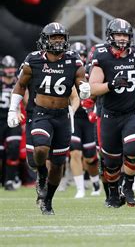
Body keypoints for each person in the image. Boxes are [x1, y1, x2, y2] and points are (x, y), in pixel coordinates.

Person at [8, 22, 89, 215]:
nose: (58, 41)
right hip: (40, 113)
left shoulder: (73, 61)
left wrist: (85, 90)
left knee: (58, 165)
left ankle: (48, 201)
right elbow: (20, 86)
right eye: (54, 38)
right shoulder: (33, 60)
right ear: (45, 40)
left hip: (61, 116)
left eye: (61, 38)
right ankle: (41, 174)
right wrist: (13, 109)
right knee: (41, 150)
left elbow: (81, 86)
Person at [89, 18, 135, 208]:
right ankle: (112, 193)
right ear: (110, 36)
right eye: (118, 35)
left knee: (133, 150)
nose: (122, 39)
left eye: (125, 35)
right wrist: (111, 85)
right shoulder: (101, 56)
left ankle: (127, 185)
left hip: (133, 112)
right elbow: (93, 88)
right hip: (110, 114)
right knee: (111, 162)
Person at [68, 42, 100, 198]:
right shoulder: (65, 71)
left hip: (88, 119)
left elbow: (96, 92)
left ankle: (95, 183)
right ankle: (80, 188)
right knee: (74, 153)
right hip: (74, 117)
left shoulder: (90, 71)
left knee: (90, 158)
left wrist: (93, 109)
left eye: (82, 55)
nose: (79, 58)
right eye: (76, 55)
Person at [0, 55, 22, 191]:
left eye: (12, 67)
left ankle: (9, 180)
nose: (10, 70)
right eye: (7, 67)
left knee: (14, 148)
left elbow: (26, 100)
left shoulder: (19, 82)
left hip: (12, 119)